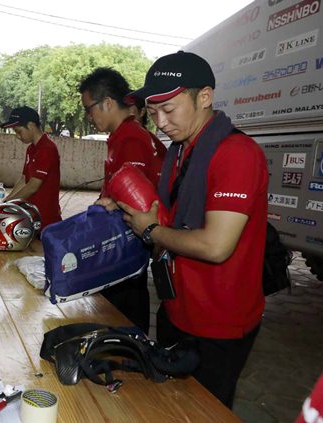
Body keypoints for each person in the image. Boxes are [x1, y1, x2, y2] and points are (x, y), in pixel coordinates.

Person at [119, 51, 268, 408]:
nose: (160, 122)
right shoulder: (181, 150)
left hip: (219, 322)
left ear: (205, 97)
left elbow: (216, 245)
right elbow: (171, 215)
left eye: (169, 109)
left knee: (205, 412)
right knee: (169, 407)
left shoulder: (236, 154)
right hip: (177, 307)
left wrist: (150, 229)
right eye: (152, 113)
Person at [78, 68, 166, 334]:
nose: (88, 117)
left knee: (125, 306)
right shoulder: (123, 135)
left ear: (107, 102)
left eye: (89, 109)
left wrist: (109, 203)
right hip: (126, 236)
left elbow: (136, 197)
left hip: (131, 238)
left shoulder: (131, 137)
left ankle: (131, 352)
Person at [0, 106, 62, 229]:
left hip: (45, 217)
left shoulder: (47, 149)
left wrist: (9, 203)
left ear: (31, 125)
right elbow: (24, 179)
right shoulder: (31, 148)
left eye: (18, 131)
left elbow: (33, 185)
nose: (17, 136)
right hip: (31, 214)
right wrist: (8, 199)